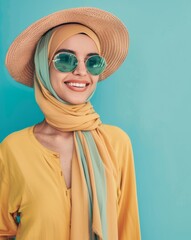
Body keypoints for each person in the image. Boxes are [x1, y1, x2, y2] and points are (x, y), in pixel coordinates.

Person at [0, 7, 141, 240]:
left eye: (93, 62)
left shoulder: (117, 143)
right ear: (44, 67)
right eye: (65, 60)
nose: (81, 71)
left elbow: (128, 231)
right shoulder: (13, 150)